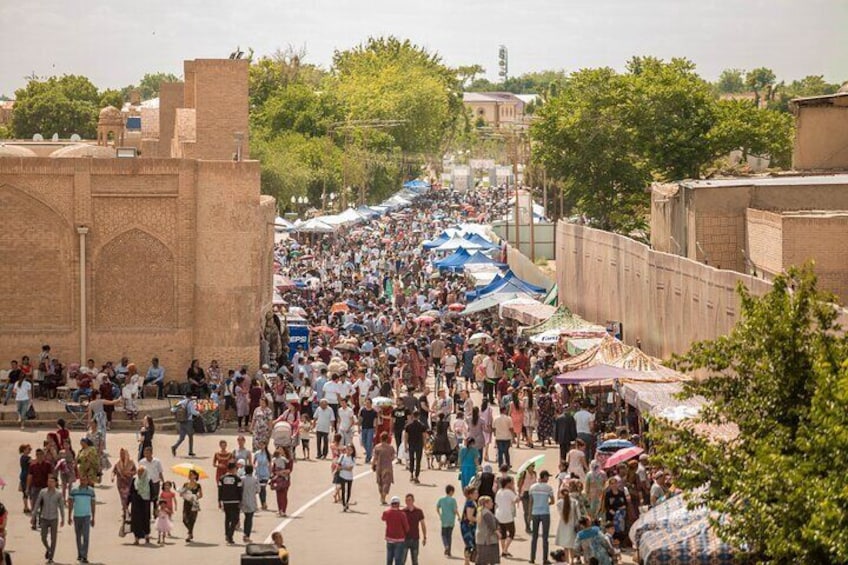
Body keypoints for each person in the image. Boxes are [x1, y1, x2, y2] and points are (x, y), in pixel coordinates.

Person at [33, 475, 64, 563]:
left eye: (52, 482)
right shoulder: (43, 492)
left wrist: (63, 518)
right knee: (43, 537)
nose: (50, 483)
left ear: (56, 483)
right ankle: (48, 548)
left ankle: (51, 557)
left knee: (54, 539)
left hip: (54, 518)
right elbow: (37, 504)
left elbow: (61, 507)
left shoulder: (58, 493)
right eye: (49, 482)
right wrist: (33, 516)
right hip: (44, 517)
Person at [528, 470, 555, 564]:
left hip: (535, 513)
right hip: (545, 513)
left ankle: (532, 558)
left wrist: (529, 515)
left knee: (534, 537)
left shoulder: (532, 487)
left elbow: (530, 502)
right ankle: (544, 559)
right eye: (547, 477)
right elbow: (552, 501)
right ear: (544, 477)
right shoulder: (548, 488)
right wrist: (546, 503)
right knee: (545, 537)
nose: (548, 479)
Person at [68, 476, 96, 564]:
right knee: (78, 536)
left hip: (86, 516)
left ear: (87, 481)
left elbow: (93, 504)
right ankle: (80, 554)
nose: (83, 481)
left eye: (85, 480)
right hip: (77, 516)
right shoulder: (74, 490)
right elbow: (70, 504)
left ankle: (84, 556)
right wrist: (69, 516)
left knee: (86, 536)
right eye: (82, 479)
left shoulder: (91, 491)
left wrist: (93, 517)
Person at [555, 480, 582, 562]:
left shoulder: (559, 503)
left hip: (563, 525)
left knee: (565, 545)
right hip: (573, 525)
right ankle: (572, 562)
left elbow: (560, 514)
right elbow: (579, 515)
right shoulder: (574, 502)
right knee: (572, 545)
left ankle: (567, 561)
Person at [218, 461, 243, 545]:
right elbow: (240, 490)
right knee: (235, 519)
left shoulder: (222, 478)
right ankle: (230, 535)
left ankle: (226, 534)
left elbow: (220, 490)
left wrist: (219, 500)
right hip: (235, 500)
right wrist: (241, 500)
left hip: (225, 500)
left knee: (227, 518)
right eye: (236, 468)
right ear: (233, 469)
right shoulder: (237, 479)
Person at [26, 448, 52, 527]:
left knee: (43, 506)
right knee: (34, 506)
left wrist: (50, 487)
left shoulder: (48, 465)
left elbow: (50, 476)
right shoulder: (33, 465)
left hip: (44, 488)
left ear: (43, 455)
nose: (39, 456)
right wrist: (27, 488)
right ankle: (34, 522)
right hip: (35, 487)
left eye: (41, 454)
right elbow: (30, 477)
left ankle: (41, 522)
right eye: (37, 455)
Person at [494, 476, 519, 558]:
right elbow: (516, 500)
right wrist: (516, 493)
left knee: (503, 533)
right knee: (512, 532)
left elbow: (496, 503)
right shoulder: (509, 492)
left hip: (499, 514)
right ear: (508, 483)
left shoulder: (499, 492)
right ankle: (505, 549)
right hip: (507, 514)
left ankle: (504, 550)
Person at [382, 496, 409, 565]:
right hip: (399, 539)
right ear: (398, 504)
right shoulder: (402, 514)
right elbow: (407, 527)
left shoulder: (386, 513)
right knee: (398, 560)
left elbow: (383, 518)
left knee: (389, 559)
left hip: (389, 539)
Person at [128, 466, 152, 544]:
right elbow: (130, 492)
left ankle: (146, 535)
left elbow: (153, 493)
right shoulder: (134, 480)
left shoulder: (149, 481)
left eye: (141, 472)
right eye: (138, 472)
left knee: (145, 519)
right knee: (135, 520)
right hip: (136, 502)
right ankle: (136, 538)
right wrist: (127, 503)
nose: (139, 474)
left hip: (145, 502)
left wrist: (155, 505)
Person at [111, 448, 136, 521]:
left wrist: (129, 473)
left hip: (129, 483)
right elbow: (113, 471)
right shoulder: (118, 463)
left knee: (127, 497)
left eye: (123, 454)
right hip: (120, 484)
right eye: (121, 454)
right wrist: (112, 477)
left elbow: (135, 471)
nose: (122, 455)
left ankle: (125, 509)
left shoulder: (131, 463)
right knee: (123, 497)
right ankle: (125, 510)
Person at [403, 410, 428, 484]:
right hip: (419, 444)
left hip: (411, 444)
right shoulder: (422, 425)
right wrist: (425, 445)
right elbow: (424, 436)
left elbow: (406, 437)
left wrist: (405, 445)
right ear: (419, 416)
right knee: (418, 460)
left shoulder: (408, 426)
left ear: (412, 416)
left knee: (411, 459)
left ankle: (411, 474)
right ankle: (417, 476)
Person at [372, 432, 396, 505]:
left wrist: (373, 465)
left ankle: (381, 495)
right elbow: (393, 457)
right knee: (387, 482)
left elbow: (375, 458)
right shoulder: (391, 448)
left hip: (379, 466)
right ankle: (383, 497)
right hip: (388, 467)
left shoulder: (377, 447)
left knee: (380, 482)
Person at [475, 495, 500, 565]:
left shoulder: (481, 512)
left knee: (481, 558)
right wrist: (498, 533)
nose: (492, 503)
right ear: (486, 504)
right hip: (487, 539)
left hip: (481, 538)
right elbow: (491, 525)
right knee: (487, 559)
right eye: (491, 502)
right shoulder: (486, 513)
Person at [402, 493, 426, 565]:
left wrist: (424, 537)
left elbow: (423, 524)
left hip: (415, 539)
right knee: (402, 560)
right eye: (406, 500)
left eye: (409, 500)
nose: (408, 502)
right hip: (404, 539)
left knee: (415, 561)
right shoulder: (403, 512)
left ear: (413, 501)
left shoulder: (419, 511)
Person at [179, 469, 203, 543]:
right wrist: (184, 494)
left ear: (195, 476)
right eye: (189, 474)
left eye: (192, 474)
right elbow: (181, 494)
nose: (190, 476)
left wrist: (195, 497)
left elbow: (201, 495)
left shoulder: (198, 485)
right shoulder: (185, 484)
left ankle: (189, 534)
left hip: (194, 503)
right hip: (186, 503)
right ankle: (190, 531)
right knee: (184, 519)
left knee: (192, 519)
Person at [436, 484, 460, 557]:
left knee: (443, 534)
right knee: (449, 535)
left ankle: (446, 545)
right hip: (451, 520)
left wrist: (440, 515)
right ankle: (449, 551)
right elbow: (455, 510)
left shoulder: (441, 499)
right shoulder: (453, 500)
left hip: (444, 519)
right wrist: (459, 516)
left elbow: (437, 507)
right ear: (451, 491)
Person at [271, 446, 293, 517]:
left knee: (284, 495)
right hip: (278, 479)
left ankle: (283, 510)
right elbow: (273, 469)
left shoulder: (288, 459)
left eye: (280, 449)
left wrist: (281, 472)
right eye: (278, 449)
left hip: (285, 479)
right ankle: (279, 509)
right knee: (278, 495)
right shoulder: (276, 459)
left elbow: (289, 470)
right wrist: (276, 473)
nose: (279, 451)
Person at [241, 464, 260, 543]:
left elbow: (239, 488)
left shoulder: (242, 479)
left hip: (243, 499)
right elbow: (258, 490)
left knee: (246, 517)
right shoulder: (255, 479)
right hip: (252, 500)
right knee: (249, 518)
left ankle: (245, 534)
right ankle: (247, 535)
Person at [517, 462, 538, 535]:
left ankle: (529, 523)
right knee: (526, 511)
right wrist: (519, 493)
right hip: (525, 493)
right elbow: (519, 484)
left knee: (532, 510)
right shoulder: (524, 473)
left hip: (533, 493)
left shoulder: (535, 473)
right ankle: (527, 526)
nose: (533, 467)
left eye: (533, 466)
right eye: (531, 466)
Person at [460, 486, 479, 565]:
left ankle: (467, 562)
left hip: (471, 526)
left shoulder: (473, 502)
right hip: (468, 526)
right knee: (470, 544)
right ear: (470, 494)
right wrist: (479, 520)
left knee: (471, 544)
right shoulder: (470, 503)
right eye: (475, 493)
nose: (477, 494)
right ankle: (467, 562)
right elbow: (469, 516)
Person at [337, 443, 356, 512]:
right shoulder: (342, 456)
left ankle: (347, 503)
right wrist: (343, 467)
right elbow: (338, 466)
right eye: (347, 449)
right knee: (343, 490)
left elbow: (350, 468)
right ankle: (344, 504)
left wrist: (342, 467)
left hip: (349, 477)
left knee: (348, 491)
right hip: (342, 475)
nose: (348, 451)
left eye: (350, 450)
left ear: (352, 451)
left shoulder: (353, 458)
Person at [359, 397, 378, 463]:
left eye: (368, 403)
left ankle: (368, 457)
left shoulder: (374, 412)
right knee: (364, 442)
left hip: (370, 428)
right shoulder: (363, 410)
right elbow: (360, 419)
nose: (367, 404)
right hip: (364, 428)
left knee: (369, 442)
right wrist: (359, 427)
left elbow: (375, 421)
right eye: (366, 403)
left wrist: (376, 429)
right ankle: (369, 453)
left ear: (371, 404)